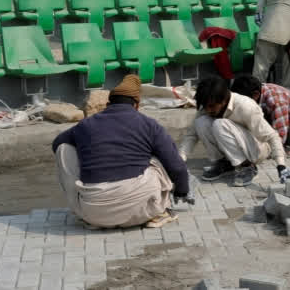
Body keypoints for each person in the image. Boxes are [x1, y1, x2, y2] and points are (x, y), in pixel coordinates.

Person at [52, 74, 190, 229]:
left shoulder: (86, 125)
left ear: (108, 104)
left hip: (93, 213)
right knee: (157, 159)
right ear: (137, 105)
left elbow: (57, 144)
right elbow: (176, 166)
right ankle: (160, 212)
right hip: (141, 210)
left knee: (64, 150)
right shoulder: (149, 125)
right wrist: (182, 191)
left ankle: (92, 217)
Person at [182, 76, 290, 185]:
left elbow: (272, 136)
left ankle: (247, 167)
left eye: (212, 106)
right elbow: (191, 135)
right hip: (234, 144)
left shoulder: (245, 106)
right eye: (205, 106)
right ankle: (225, 163)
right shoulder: (208, 105)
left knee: (219, 124)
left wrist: (281, 167)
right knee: (200, 122)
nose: (208, 110)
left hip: (256, 149)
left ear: (223, 100)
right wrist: (179, 160)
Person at [230, 75, 290, 151]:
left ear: (255, 94)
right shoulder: (260, 89)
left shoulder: (276, 101)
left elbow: (280, 133)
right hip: (285, 123)